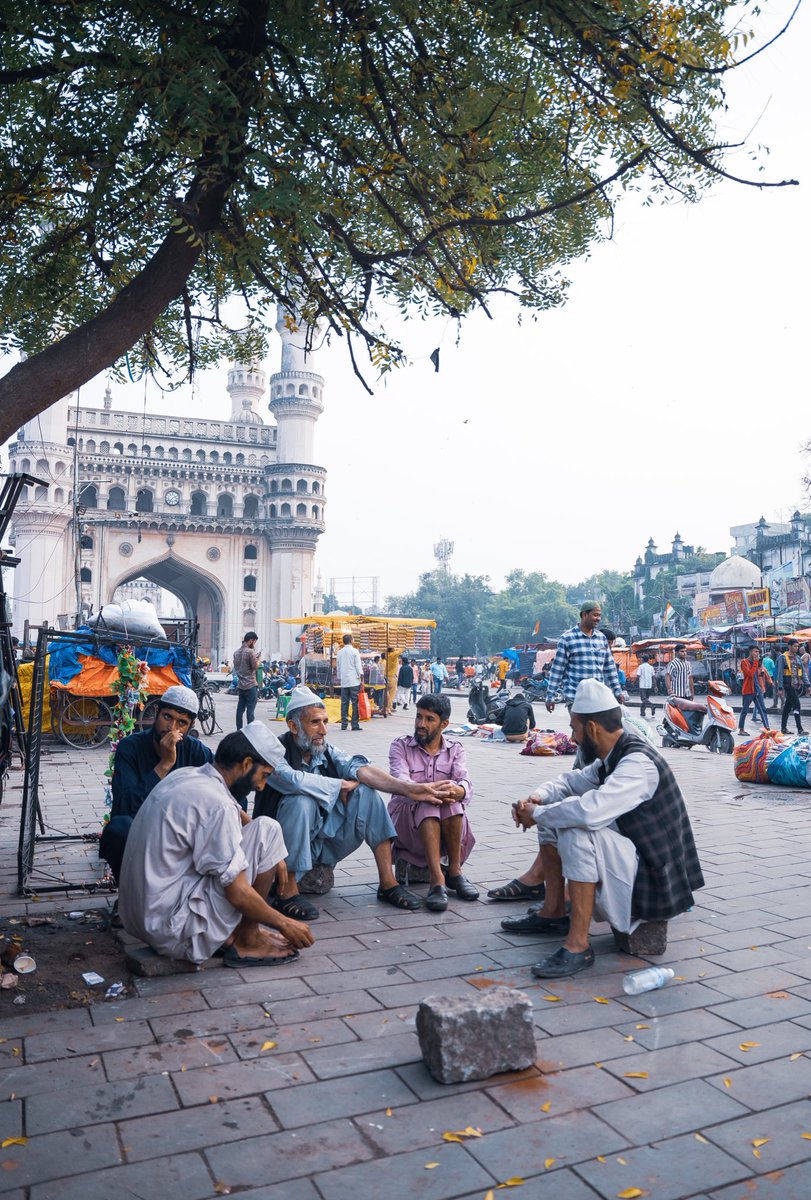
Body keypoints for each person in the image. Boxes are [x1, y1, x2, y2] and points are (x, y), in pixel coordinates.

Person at [503, 679, 704, 978]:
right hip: (635, 859)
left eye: (574, 727)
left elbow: (590, 812)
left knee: (574, 829)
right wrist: (537, 799)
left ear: (593, 728)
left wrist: (538, 813)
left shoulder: (637, 763)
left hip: (655, 879)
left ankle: (578, 945)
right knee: (554, 818)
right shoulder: (612, 757)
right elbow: (569, 782)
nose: (572, 736)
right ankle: (554, 910)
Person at [119, 722, 315, 967]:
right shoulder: (216, 803)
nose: (261, 786)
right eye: (263, 775)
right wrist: (285, 923)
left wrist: (276, 855)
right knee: (268, 832)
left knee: (266, 829)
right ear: (246, 764)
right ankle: (247, 940)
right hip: (173, 931)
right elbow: (237, 892)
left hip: (142, 919)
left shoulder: (188, 775)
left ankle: (241, 934)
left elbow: (236, 812)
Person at [252, 687, 449, 919]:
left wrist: (410, 789)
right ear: (293, 726)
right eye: (315, 723)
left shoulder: (324, 750)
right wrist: (339, 786)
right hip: (282, 850)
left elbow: (360, 769)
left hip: (320, 843)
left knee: (366, 793)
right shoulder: (275, 753)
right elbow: (293, 780)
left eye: (325, 722)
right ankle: (286, 890)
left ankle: (387, 882)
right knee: (301, 802)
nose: (323, 730)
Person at [99, 685, 213, 884]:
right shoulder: (130, 747)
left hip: (183, 829)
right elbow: (123, 805)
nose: (172, 728)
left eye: (182, 723)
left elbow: (225, 788)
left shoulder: (198, 752)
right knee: (118, 829)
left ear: (190, 726)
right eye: (167, 717)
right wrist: (165, 764)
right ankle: (127, 895)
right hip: (142, 826)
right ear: (156, 714)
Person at [388, 693, 478, 912]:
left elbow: (464, 780)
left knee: (453, 802)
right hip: (406, 820)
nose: (421, 724)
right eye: (419, 717)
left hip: (445, 818)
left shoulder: (455, 749)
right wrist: (427, 792)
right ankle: (437, 880)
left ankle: (454, 873)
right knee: (428, 802)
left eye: (429, 719)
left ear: (444, 724)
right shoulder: (400, 746)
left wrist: (457, 790)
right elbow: (401, 780)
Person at [544, 602, 622, 713]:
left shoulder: (601, 638)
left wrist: (617, 691)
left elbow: (609, 668)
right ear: (584, 615)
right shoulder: (567, 638)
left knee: (598, 730)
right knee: (581, 730)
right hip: (576, 698)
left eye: (599, 615)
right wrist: (550, 696)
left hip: (598, 698)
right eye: (595, 615)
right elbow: (557, 670)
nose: (598, 619)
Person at [776, 641, 807, 735]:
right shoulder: (782, 658)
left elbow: (803, 673)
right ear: (789, 646)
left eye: (798, 646)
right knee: (797, 705)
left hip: (796, 685)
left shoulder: (798, 658)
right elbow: (780, 673)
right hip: (787, 685)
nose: (797, 648)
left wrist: (808, 685)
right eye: (795, 646)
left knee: (787, 707)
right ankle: (800, 729)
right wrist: (780, 688)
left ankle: (783, 728)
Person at [738, 647, 770, 735]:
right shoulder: (744, 662)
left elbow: (757, 675)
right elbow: (750, 674)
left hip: (757, 689)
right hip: (748, 690)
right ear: (750, 652)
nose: (757, 653)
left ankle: (767, 728)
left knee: (762, 709)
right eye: (755, 651)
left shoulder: (757, 663)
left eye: (758, 652)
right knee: (744, 710)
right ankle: (741, 729)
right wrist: (756, 663)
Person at [336, 632, 363, 731]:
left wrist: (340, 677)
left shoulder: (340, 652)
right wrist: (361, 679)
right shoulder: (355, 651)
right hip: (354, 681)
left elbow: (338, 667)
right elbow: (358, 666)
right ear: (351, 640)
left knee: (344, 703)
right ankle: (354, 724)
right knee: (355, 702)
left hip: (344, 681)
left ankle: (344, 724)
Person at [233, 631, 260, 729]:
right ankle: (250, 731)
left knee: (240, 709)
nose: (254, 644)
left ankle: (239, 730)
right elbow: (255, 667)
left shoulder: (236, 653)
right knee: (250, 710)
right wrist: (258, 659)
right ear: (250, 641)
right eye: (254, 642)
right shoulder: (250, 652)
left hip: (241, 685)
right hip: (251, 685)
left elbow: (237, 667)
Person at [636, 654, 657, 718]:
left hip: (642, 685)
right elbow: (653, 677)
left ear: (642, 660)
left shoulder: (640, 667)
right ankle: (642, 712)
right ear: (648, 660)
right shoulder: (651, 667)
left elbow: (638, 675)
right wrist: (655, 686)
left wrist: (634, 682)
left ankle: (652, 706)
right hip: (649, 685)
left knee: (643, 699)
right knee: (645, 699)